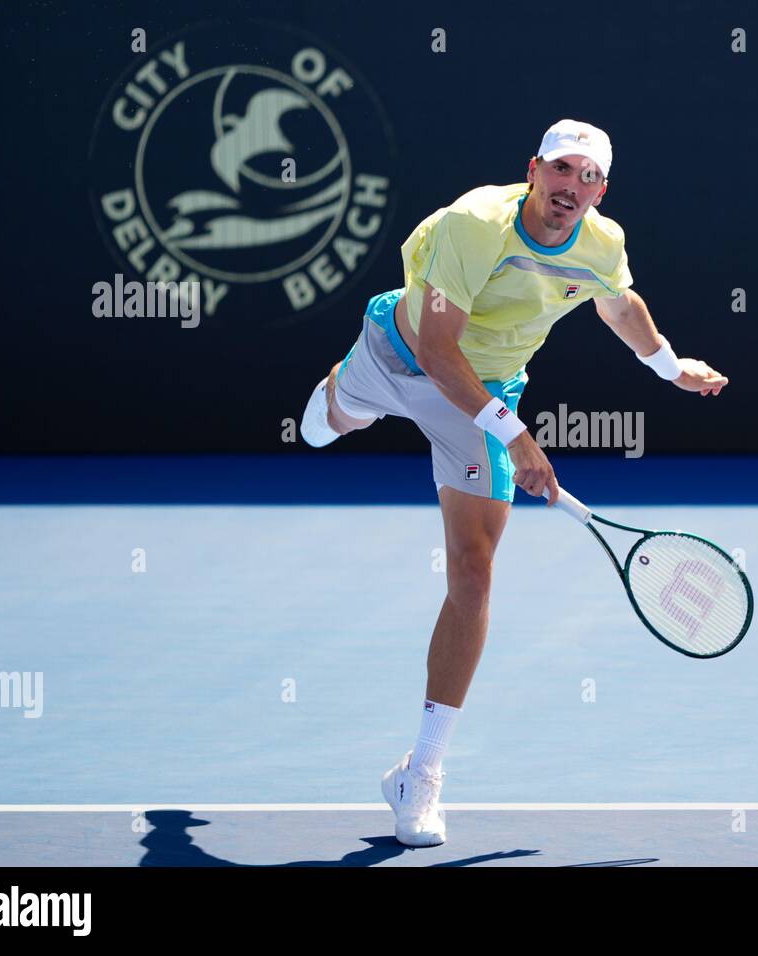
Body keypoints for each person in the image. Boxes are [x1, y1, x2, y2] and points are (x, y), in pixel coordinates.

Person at [300, 119, 729, 847]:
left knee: (472, 570)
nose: (574, 188)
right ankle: (345, 397)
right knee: (327, 425)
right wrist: (518, 435)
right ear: (534, 171)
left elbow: (618, 303)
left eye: (589, 177)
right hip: (401, 353)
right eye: (563, 171)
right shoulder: (477, 224)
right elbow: (438, 352)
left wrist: (669, 365)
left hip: (484, 392)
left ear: (602, 189)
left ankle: (420, 774)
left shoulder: (601, 243)